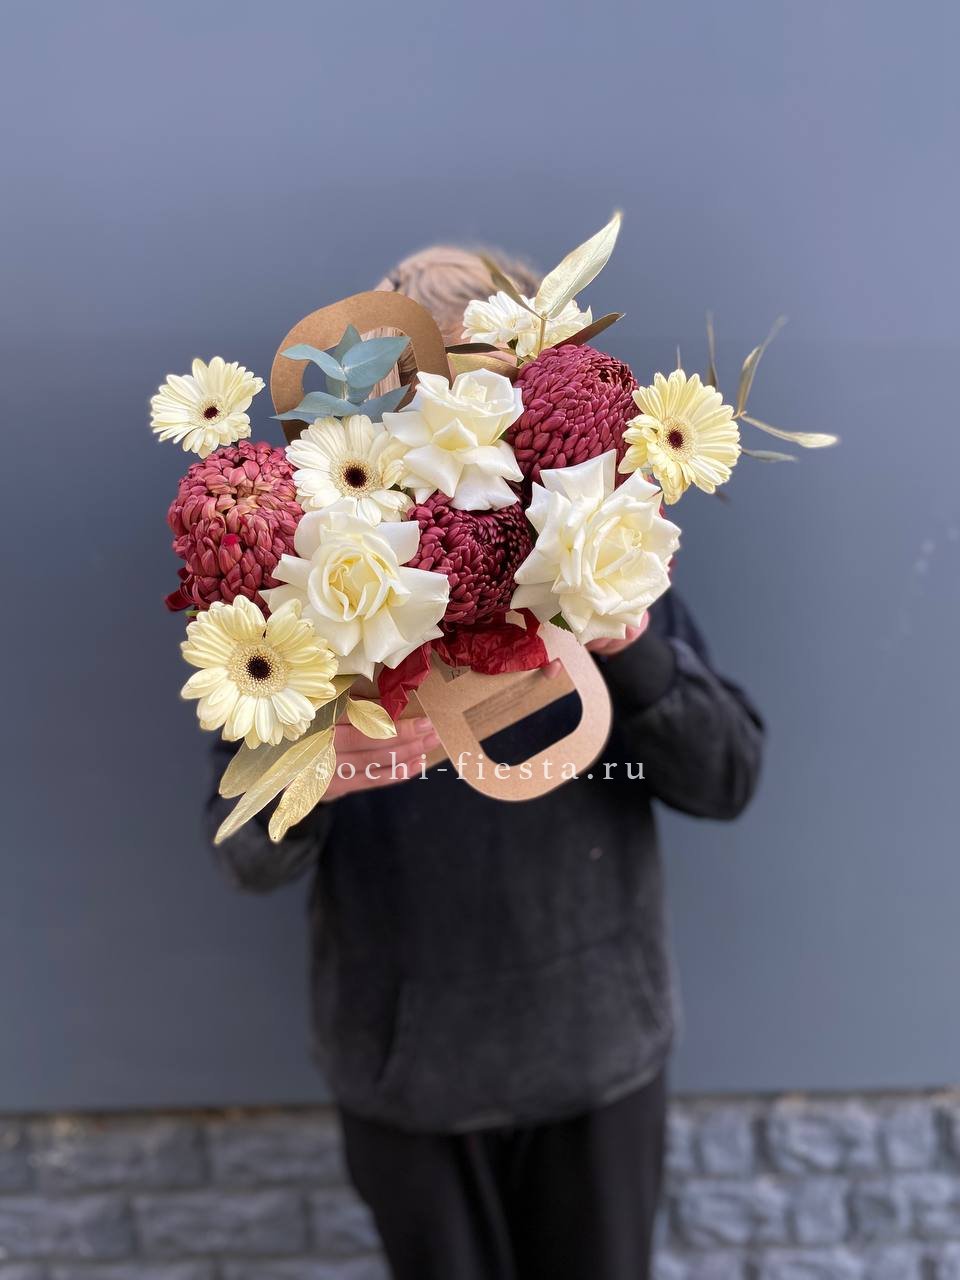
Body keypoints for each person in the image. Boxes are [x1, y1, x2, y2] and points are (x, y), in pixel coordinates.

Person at [207, 246, 764, 1280]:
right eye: (415, 410)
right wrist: (312, 765)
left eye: (483, 400)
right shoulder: (311, 600)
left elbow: (728, 776)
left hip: (599, 1057)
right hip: (407, 1079)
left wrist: (629, 638)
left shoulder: (602, 556)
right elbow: (242, 851)